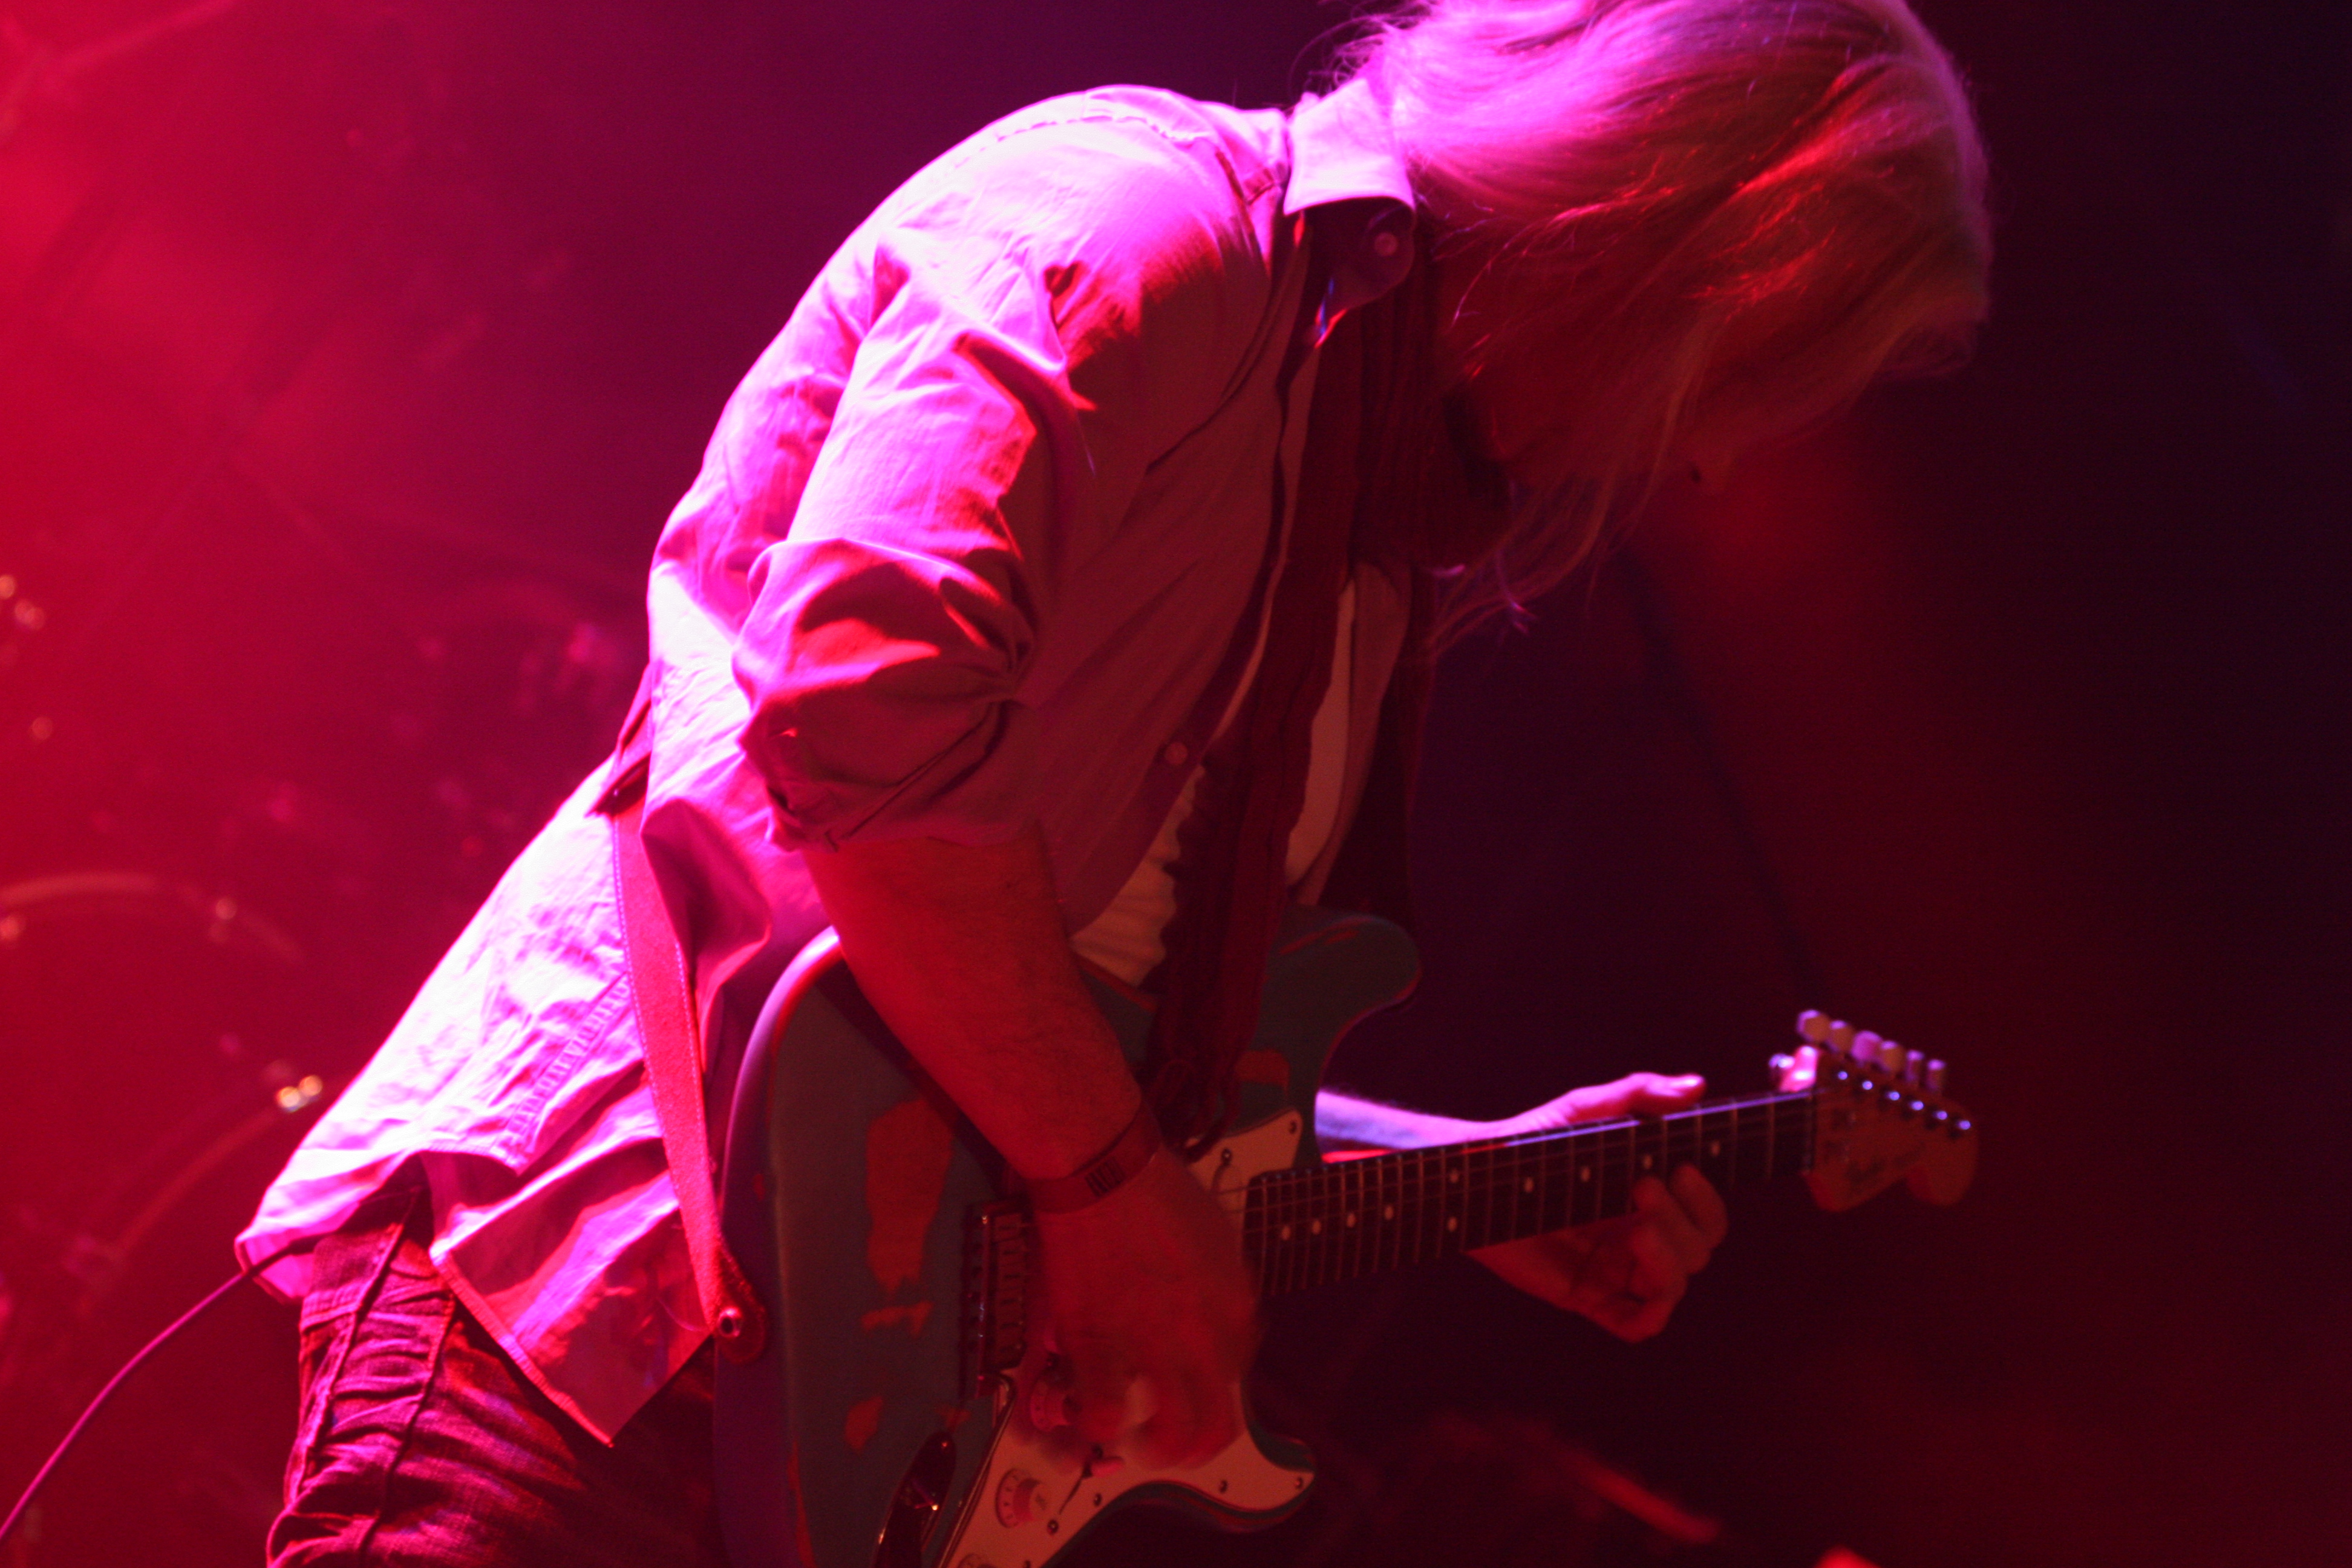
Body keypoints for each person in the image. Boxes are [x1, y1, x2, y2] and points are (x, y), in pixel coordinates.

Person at [237, 1, 1990, 1563]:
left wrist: (1459, 1178)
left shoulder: (1366, 529)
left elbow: (1076, 1045)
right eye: (1748, 381)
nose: (1710, 459)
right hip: (606, 1290)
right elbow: (868, 726)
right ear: (1651, 244)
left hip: (842, 1419)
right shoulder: (1140, 228)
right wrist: (1103, 1185)